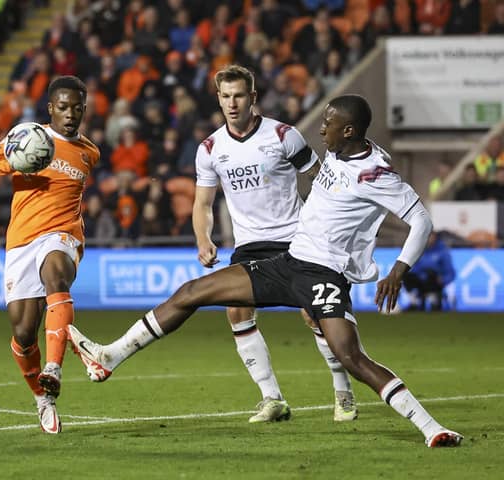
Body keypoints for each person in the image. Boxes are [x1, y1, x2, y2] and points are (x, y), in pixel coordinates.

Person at [69, 94, 463, 448]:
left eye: (328, 122)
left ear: (348, 130)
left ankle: (431, 428)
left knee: (352, 357)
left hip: (324, 276)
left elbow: (422, 220)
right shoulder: (341, 153)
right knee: (192, 292)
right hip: (288, 262)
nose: (320, 127)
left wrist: (398, 269)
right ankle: (110, 356)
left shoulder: (376, 173)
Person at [190, 65, 356, 423]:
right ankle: (272, 399)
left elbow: (318, 177)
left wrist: (328, 222)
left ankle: (343, 392)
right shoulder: (210, 149)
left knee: (315, 314)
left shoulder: (284, 135)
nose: (232, 104)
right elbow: (202, 204)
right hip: (250, 244)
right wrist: (203, 238)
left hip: (296, 238)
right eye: (225, 96)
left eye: (238, 96)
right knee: (236, 311)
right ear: (218, 99)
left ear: (252, 98)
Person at [0, 75, 99, 434]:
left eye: (76, 107)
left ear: (84, 109)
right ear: (50, 109)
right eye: (62, 107)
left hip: (63, 234)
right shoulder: (24, 138)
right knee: (24, 331)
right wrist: (12, 163)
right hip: (22, 240)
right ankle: (43, 398)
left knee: (56, 274)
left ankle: (54, 367)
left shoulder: (89, 152)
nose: (70, 114)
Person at [403, 231, 455, 311]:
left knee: (431, 274)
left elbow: (450, 273)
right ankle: (414, 301)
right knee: (406, 275)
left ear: (435, 237)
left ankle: (434, 300)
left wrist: (443, 279)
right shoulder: (418, 250)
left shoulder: (442, 251)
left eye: (430, 236)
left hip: (434, 281)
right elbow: (414, 267)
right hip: (421, 280)